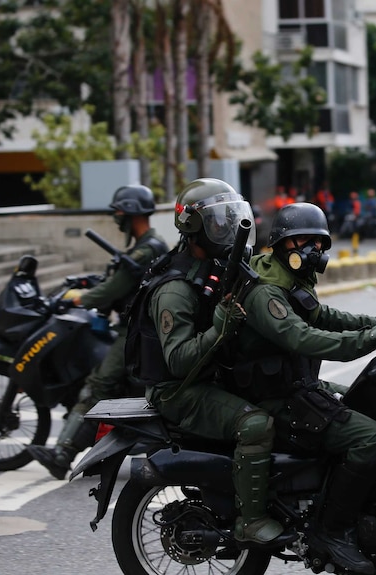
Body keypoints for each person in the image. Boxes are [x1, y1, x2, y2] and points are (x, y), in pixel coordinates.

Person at [228, 202, 376, 574]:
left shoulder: (290, 281)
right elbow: (305, 338)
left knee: (373, 401)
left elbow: (325, 316)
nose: (313, 250)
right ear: (282, 244)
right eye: (304, 241)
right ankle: (332, 531)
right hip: (273, 396)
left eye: (318, 242)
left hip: (295, 384)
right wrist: (374, 337)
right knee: (369, 437)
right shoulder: (266, 292)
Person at [136, 178, 293, 548]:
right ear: (194, 227)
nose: (224, 228)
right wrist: (221, 325)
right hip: (178, 390)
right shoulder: (175, 289)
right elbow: (177, 361)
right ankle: (251, 522)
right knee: (255, 425)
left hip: (206, 376)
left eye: (229, 218)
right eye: (217, 220)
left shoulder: (215, 268)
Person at [28, 184, 169, 480]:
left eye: (119, 211)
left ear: (130, 213)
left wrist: (77, 299)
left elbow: (114, 288)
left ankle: (64, 453)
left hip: (136, 333)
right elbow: (118, 280)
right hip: (137, 329)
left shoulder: (148, 247)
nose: (116, 216)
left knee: (99, 385)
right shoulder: (145, 245)